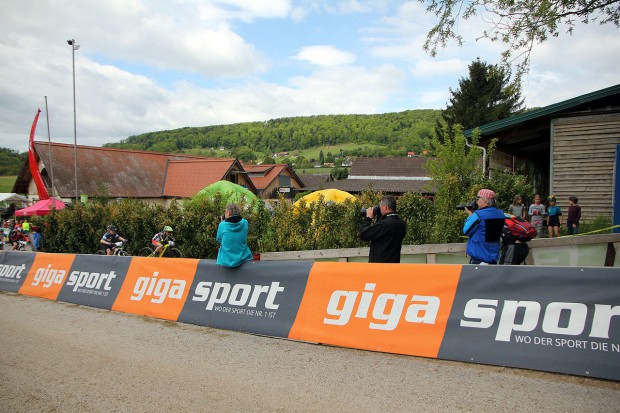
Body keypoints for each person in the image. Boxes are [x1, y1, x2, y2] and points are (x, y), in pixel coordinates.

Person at [463, 189, 506, 264]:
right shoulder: (500, 213)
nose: (476, 201)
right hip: (493, 256)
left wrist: (470, 216)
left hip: (479, 257)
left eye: (478, 199)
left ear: (485, 200)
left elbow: (466, 231)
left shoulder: (478, 214)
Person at [359, 195, 407, 263]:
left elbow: (363, 234)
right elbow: (383, 235)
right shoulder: (401, 224)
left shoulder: (385, 225)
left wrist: (368, 218)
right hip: (394, 265)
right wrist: (380, 216)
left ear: (385, 207)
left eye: (380, 207)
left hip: (380, 267)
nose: (380, 208)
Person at [216, 203, 253, 267]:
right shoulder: (245, 222)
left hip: (226, 260)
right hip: (243, 258)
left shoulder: (222, 225)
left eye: (225, 212)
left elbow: (219, 240)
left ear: (229, 213)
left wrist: (222, 222)